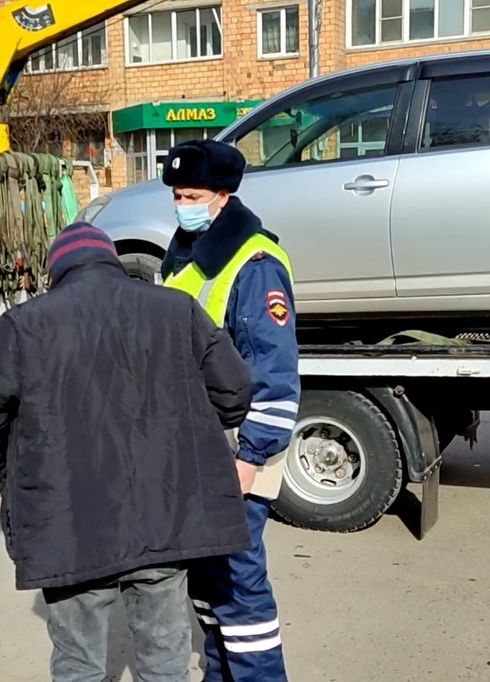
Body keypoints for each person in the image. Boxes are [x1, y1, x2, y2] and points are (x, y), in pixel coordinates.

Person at [0, 222, 254, 682]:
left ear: (58, 272)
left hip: (68, 525)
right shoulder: (177, 310)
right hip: (165, 516)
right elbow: (234, 392)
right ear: (112, 262)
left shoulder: (23, 325)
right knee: (165, 661)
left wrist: (8, 477)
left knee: (79, 666)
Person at [160, 139, 301, 682]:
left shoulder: (255, 262)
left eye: (191, 194)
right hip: (198, 448)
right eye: (176, 194)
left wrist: (250, 458)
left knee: (239, 588)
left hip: (236, 450)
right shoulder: (185, 253)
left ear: (223, 195)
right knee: (209, 586)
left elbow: (274, 370)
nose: (181, 203)